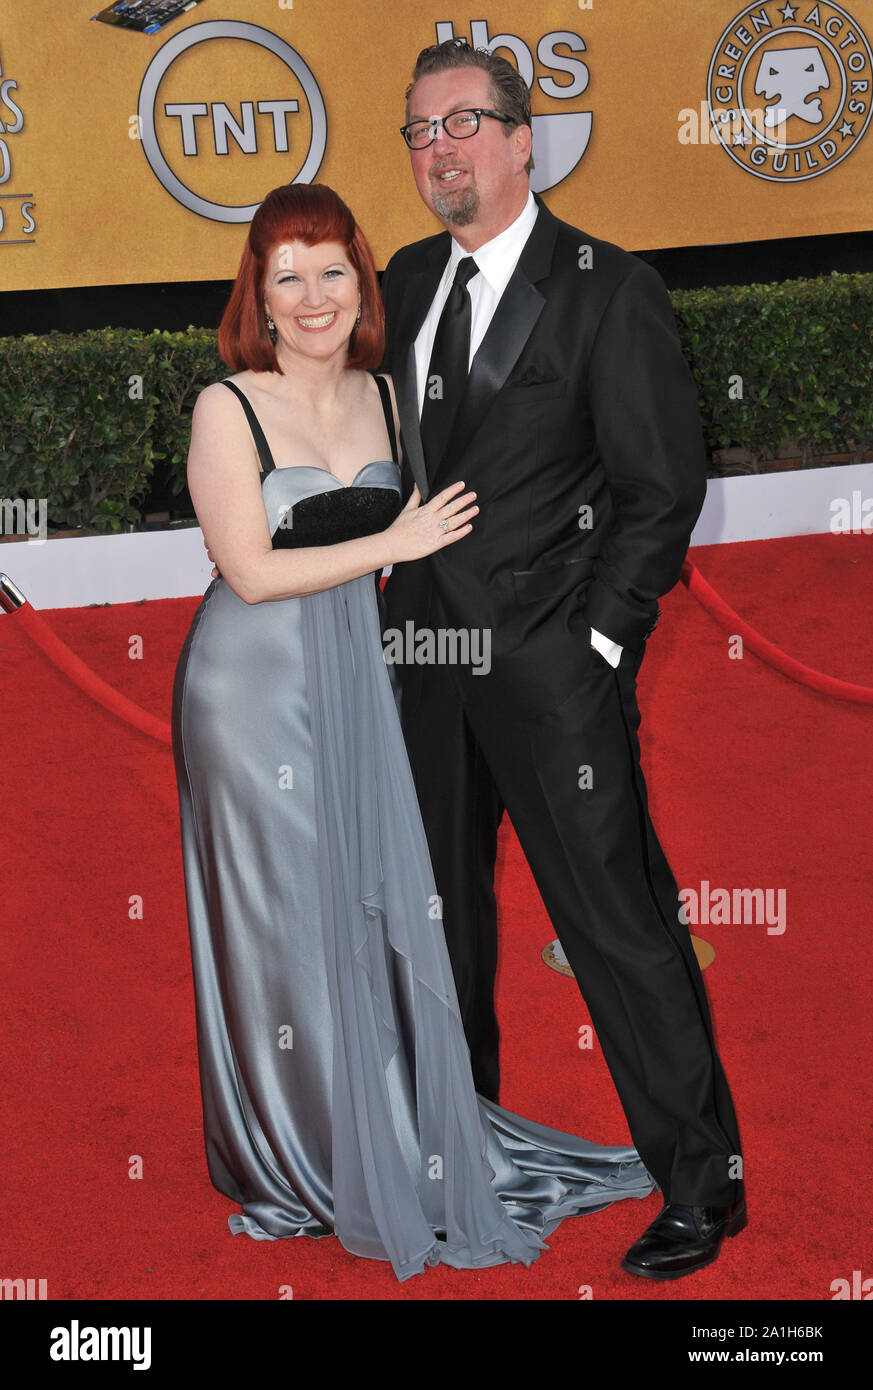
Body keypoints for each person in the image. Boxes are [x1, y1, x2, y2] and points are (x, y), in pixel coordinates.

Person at [173, 180, 656, 1285]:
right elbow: (248, 571)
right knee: (284, 919)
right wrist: (400, 530)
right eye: (284, 276)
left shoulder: (390, 398)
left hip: (364, 674)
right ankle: (298, 1156)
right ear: (256, 290)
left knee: (364, 904)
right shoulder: (226, 406)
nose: (310, 297)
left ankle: (389, 1126)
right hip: (250, 692)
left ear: (363, 282)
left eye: (331, 271)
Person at [379, 39, 746, 1280]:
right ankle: (456, 1151)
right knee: (441, 929)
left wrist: (598, 639)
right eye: (422, 131)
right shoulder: (407, 276)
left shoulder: (605, 286)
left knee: (618, 927)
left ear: (525, 139)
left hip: (550, 669)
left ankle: (703, 1182)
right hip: (422, 659)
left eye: (465, 123)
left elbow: (662, 487)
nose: (442, 149)